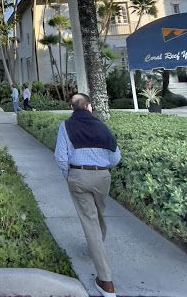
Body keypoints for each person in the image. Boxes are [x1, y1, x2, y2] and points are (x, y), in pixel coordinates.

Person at [54, 93, 121, 297]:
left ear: (71, 107)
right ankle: (96, 246)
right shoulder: (102, 126)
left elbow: (60, 157)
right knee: (99, 215)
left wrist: (68, 176)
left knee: (90, 221)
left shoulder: (66, 126)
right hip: (102, 177)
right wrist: (102, 169)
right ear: (89, 107)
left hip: (79, 176)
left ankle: (105, 281)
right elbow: (115, 157)